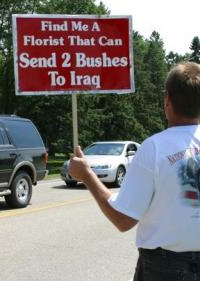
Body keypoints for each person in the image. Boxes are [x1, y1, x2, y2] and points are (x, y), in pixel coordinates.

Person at [68, 62, 200, 281]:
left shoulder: (154, 148)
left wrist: (87, 176)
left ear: (167, 98)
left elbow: (123, 220)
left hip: (166, 268)